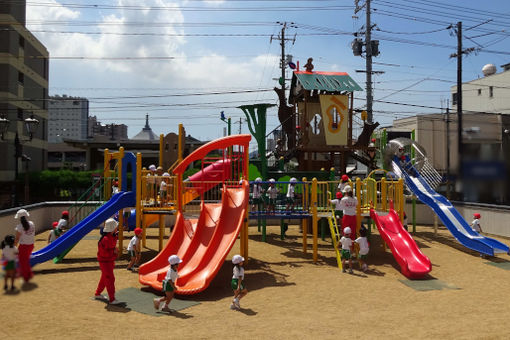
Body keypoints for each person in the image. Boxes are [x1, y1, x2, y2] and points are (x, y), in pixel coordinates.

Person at [94, 218, 122, 305]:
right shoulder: (105, 239)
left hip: (109, 261)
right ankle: (112, 299)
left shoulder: (112, 236)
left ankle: (98, 293)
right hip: (105, 261)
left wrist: (114, 251)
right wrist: (114, 252)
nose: (117, 228)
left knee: (104, 278)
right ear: (112, 228)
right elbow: (104, 253)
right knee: (110, 279)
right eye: (116, 227)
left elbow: (111, 248)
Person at [14, 209, 35, 283]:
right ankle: (29, 275)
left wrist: (14, 247)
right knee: (25, 261)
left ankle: (26, 278)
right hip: (31, 245)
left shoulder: (19, 227)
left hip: (24, 247)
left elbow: (16, 239)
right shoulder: (32, 223)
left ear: (19, 218)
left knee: (23, 262)